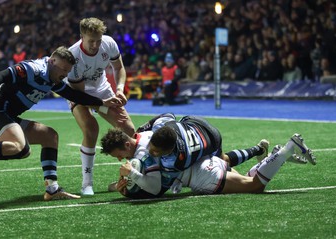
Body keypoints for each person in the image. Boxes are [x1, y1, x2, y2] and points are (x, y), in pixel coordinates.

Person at [0, 46, 121, 201]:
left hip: (9, 117)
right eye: (64, 70)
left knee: (50, 136)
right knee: (21, 148)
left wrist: (103, 102)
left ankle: (52, 189)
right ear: (52, 61)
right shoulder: (33, 69)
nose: (65, 75)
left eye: (68, 71)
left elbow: (74, 96)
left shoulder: (53, 78)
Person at [101, 113, 278, 193]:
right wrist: (144, 126)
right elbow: (167, 115)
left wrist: (130, 180)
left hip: (206, 146)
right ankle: (260, 150)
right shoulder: (153, 131)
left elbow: (157, 188)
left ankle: (271, 153)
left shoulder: (162, 160)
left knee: (230, 166)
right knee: (226, 163)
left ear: (126, 144)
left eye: (118, 154)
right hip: (197, 125)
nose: (119, 159)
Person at [117, 133, 316, 198]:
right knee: (247, 178)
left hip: (204, 176)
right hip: (206, 163)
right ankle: (274, 156)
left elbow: (152, 188)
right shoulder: (153, 140)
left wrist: (131, 175)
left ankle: (286, 150)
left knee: (254, 186)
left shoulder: (148, 157)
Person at [65, 17, 135, 196]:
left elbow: (119, 68)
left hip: (102, 89)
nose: (95, 45)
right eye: (91, 41)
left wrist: (119, 90)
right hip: (78, 93)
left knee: (128, 128)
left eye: (98, 41)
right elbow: (82, 96)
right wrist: (102, 106)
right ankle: (86, 183)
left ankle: (134, 175)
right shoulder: (73, 57)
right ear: (82, 36)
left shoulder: (109, 43)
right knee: (91, 128)